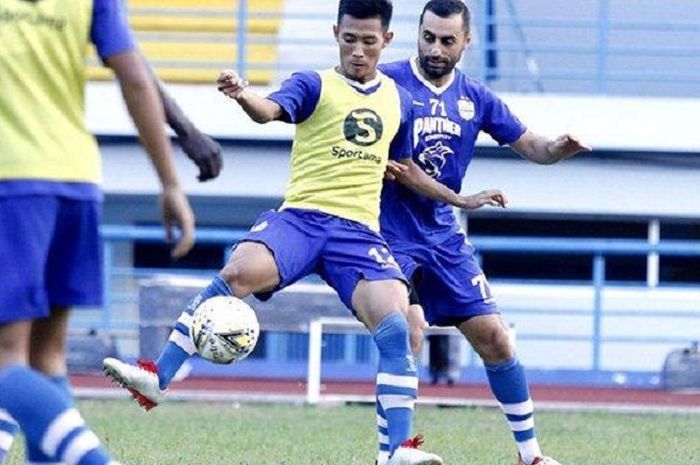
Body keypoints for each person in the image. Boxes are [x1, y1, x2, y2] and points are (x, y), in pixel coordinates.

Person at [376, 1, 592, 465]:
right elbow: (403, 169)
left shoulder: (477, 98)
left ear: (466, 42)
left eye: (447, 40)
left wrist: (557, 148)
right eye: (428, 37)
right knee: (408, 328)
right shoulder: (387, 82)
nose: (435, 48)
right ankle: (396, 452)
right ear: (417, 33)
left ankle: (529, 455)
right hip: (387, 229)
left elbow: (531, 145)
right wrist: (465, 199)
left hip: (442, 236)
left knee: (496, 338)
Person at [0, 0, 206, 463]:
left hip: (11, 183)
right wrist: (170, 183)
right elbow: (134, 76)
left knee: (4, 362)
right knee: (45, 359)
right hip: (76, 181)